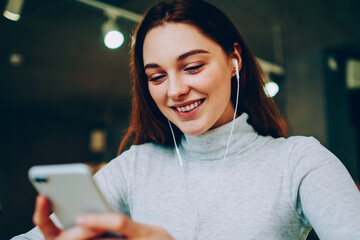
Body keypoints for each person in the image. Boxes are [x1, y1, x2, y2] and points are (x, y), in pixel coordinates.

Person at [13, 0, 360, 239]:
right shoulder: (136, 166)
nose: (176, 90)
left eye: (192, 66)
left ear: (233, 60)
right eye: (157, 76)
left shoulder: (299, 161)